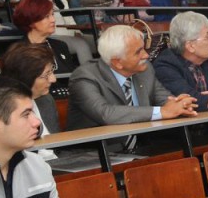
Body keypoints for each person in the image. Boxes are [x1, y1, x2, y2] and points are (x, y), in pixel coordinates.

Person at [67, 24, 198, 134]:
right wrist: (163, 111)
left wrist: (180, 104)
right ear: (117, 62)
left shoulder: (145, 70)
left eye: (144, 49)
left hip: (143, 144)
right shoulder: (85, 77)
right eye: (138, 52)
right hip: (96, 151)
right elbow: (106, 114)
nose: (146, 55)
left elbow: (164, 99)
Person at [0, 44, 61, 160]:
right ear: (26, 77)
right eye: (46, 75)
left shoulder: (46, 100)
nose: (53, 79)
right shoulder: (2, 106)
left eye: (52, 71)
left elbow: (57, 146)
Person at [12, 0, 81, 75]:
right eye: (47, 16)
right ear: (31, 20)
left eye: (52, 14)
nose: (53, 20)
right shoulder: (19, 52)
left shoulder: (60, 45)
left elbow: (72, 76)